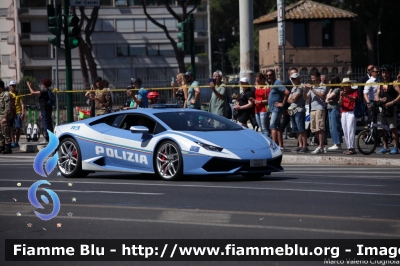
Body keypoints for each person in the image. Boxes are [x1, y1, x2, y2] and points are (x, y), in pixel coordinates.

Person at [374, 65, 400, 154]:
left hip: (391, 108)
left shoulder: (393, 83)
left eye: (386, 73)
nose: (384, 75)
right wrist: (380, 100)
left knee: (393, 128)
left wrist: (392, 102)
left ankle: (396, 147)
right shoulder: (381, 83)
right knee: (381, 128)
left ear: (390, 73)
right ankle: (385, 147)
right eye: (383, 73)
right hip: (382, 108)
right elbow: (377, 95)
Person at [304, 70, 327, 154]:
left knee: (320, 128)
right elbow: (306, 98)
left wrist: (312, 88)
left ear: (318, 77)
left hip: (320, 109)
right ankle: (320, 146)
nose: (312, 80)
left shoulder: (323, 85)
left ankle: (321, 146)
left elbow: (322, 95)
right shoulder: (312, 86)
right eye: (311, 78)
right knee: (315, 129)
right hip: (312, 109)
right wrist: (304, 90)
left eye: (314, 78)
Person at [267, 69, 289, 151]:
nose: (269, 76)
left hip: (276, 109)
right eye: (267, 75)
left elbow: (287, 92)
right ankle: (280, 146)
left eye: (270, 75)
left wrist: (282, 103)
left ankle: (273, 146)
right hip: (273, 109)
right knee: (278, 127)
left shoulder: (277, 83)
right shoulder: (272, 84)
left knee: (272, 126)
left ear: (274, 75)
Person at [27, 78, 54, 144]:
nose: (42, 84)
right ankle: (51, 138)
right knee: (49, 123)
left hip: (44, 109)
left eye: (43, 83)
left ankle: (46, 139)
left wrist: (28, 86)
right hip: (48, 109)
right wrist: (31, 86)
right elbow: (37, 92)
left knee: (45, 124)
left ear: (45, 84)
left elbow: (33, 93)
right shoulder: (47, 91)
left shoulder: (45, 91)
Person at [338, 78, 359, 155]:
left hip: (351, 111)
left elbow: (354, 100)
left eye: (347, 84)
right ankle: (348, 147)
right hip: (344, 112)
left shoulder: (354, 91)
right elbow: (340, 104)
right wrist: (341, 97)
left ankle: (352, 148)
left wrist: (346, 95)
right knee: (345, 130)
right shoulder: (343, 92)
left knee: (350, 129)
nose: (345, 86)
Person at [287, 73, 307, 153]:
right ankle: (300, 145)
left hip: (299, 109)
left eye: (294, 79)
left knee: (301, 129)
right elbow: (289, 99)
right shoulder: (293, 88)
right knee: (296, 130)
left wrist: (291, 99)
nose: (293, 80)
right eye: (292, 79)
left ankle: (304, 146)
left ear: (299, 78)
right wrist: (291, 99)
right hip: (292, 110)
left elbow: (295, 98)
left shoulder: (301, 87)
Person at [325, 76, 342, 150]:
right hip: (329, 108)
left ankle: (337, 143)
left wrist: (328, 98)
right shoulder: (331, 89)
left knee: (335, 125)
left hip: (334, 109)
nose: (329, 82)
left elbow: (328, 97)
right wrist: (328, 97)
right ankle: (335, 142)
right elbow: (327, 99)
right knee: (331, 126)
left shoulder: (337, 89)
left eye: (330, 81)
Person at [251, 73, 270, 137]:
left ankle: (267, 143)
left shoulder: (267, 88)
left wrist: (259, 101)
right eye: (256, 81)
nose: (257, 82)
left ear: (263, 79)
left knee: (264, 128)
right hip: (257, 109)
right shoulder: (257, 87)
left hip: (263, 109)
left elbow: (269, 100)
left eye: (258, 81)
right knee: (261, 128)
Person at [281, 67, 298, 137]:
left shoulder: (299, 83)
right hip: (288, 107)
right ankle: (275, 138)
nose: (294, 75)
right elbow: (283, 95)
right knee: (284, 123)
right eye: (292, 73)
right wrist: (284, 107)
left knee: (297, 124)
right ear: (289, 75)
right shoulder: (286, 83)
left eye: (296, 73)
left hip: (297, 106)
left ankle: (300, 142)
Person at [9, 81, 24, 148]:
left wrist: (23, 113)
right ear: (10, 86)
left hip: (18, 112)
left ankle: (17, 142)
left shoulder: (19, 94)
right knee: (11, 127)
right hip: (11, 113)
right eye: (12, 86)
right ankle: (13, 141)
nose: (13, 87)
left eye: (14, 85)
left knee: (18, 127)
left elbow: (22, 104)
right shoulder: (8, 94)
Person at [0, 79, 12, 154]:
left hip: (4, 116)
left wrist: (5, 117)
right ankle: (1, 146)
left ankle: (8, 147)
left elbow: (8, 107)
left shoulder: (6, 94)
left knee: (5, 132)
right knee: (0, 133)